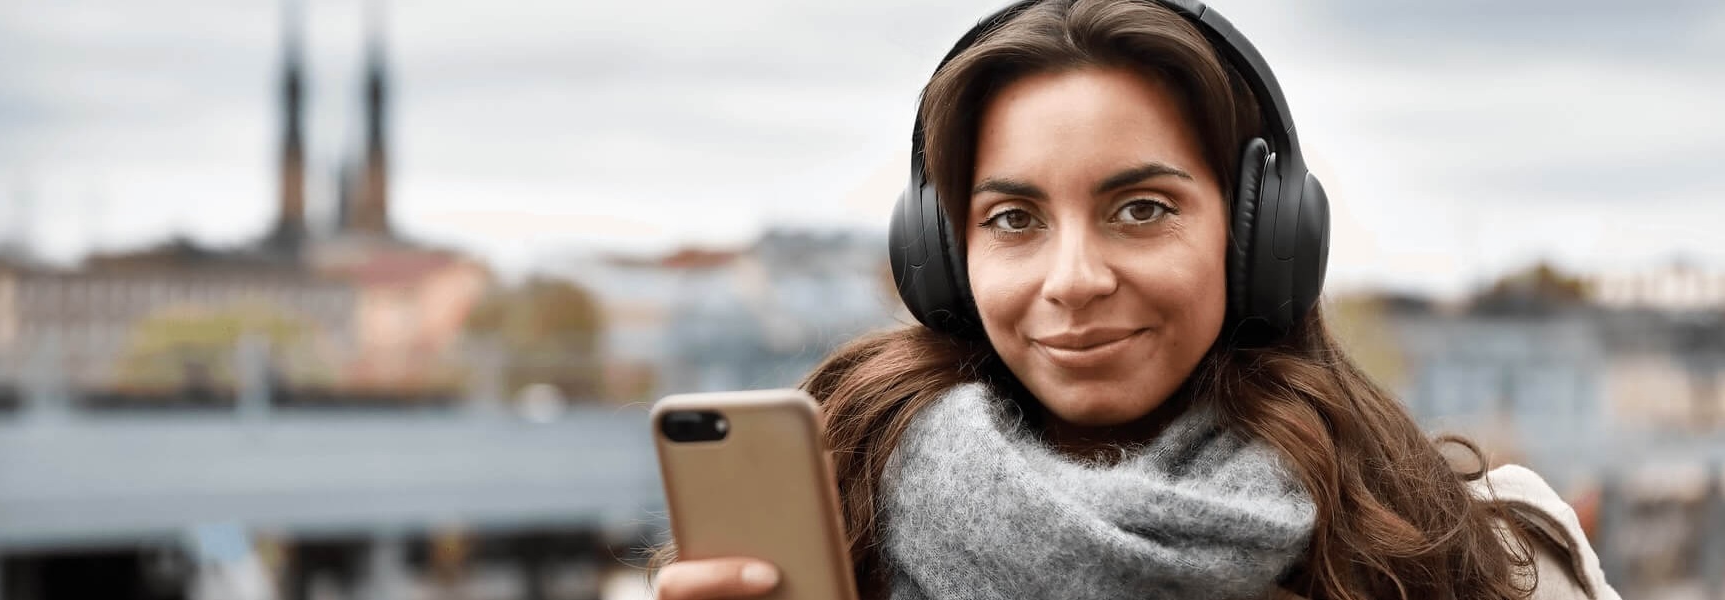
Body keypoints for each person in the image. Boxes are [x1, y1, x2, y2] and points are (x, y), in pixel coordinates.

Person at [657, 1, 1620, 598]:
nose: (1073, 279)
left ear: (1264, 238)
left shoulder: (1486, 553)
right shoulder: (833, 514)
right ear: (942, 256)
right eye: (1013, 219)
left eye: (1141, 207)